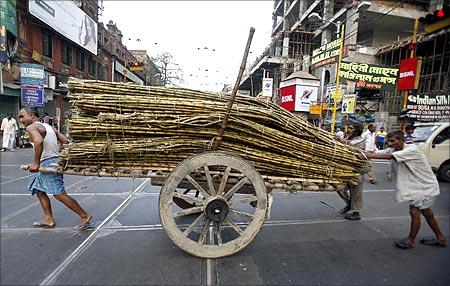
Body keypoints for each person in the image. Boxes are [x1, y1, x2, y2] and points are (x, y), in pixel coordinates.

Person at [367, 130, 447, 249]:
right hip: (417, 186)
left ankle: (411, 240)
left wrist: (366, 155)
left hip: (425, 186)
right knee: (427, 213)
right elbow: (376, 152)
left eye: (393, 141)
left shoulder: (411, 150)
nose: (390, 143)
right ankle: (441, 238)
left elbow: (388, 156)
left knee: (415, 212)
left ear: (401, 140)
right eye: (389, 141)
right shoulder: (395, 149)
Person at [18, 107, 92, 230]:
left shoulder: (31, 127)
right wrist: (58, 154)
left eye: (22, 116)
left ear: (32, 116)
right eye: (19, 117)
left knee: (58, 193)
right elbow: (65, 141)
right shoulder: (48, 126)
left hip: (48, 163)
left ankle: (84, 215)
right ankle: (48, 219)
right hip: (53, 161)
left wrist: (36, 163)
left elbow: (38, 141)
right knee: (38, 190)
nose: (21, 119)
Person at [337, 122, 365, 220]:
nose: (349, 129)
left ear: (357, 130)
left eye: (351, 128)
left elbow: (352, 148)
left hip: (356, 168)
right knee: (340, 187)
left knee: (356, 191)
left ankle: (356, 212)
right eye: (349, 128)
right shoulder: (347, 138)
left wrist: (341, 142)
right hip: (345, 168)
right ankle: (349, 204)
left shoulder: (361, 140)